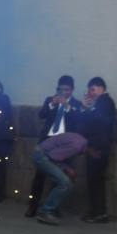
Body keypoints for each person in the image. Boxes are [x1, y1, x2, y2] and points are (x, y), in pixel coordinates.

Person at [25, 75, 83, 217]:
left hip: (64, 146)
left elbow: (78, 122)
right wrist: (52, 104)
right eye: (61, 89)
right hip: (47, 142)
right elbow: (41, 115)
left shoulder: (76, 104)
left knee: (60, 178)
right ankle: (32, 206)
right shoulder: (49, 100)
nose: (63, 92)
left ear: (72, 90)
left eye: (67, 90)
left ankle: (53, 207)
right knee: (39, 176)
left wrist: (67, 106)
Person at [79, 77, 116, 223]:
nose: (90, 93)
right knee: (94, 180)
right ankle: (97, 211)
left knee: (95, 180)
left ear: (101, 88)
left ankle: (99, 213)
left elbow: (98, 122)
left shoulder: (105, 102)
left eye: (92, 89)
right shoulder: (101, 103)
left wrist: (87, 108)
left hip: (98, 147)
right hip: (95, 145)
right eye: (89, 90)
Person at [32, 132, 87, 225]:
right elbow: (53, 157)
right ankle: (45, 211)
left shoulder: (80, 141)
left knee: (65, 183)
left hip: (42, 152)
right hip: (42, 156)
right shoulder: (76, 146)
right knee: (65, 183)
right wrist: (67, 169)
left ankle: (48, 209)